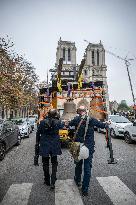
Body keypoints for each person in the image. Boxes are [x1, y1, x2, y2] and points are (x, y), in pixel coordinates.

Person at [68, 105, 110, 196]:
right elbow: (103, 126)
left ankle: (77, 180)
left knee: (78, 165)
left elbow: (69, 124)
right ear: (85, 111)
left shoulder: (76, 119)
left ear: (78, 111)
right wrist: (108, 123)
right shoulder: (91, 119)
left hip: (78, 146)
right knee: (87, 168)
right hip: (88, 147)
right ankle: (85, 189)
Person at [35, 109, 64, 189]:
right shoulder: (58, 122)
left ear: (48, 114)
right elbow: (63, 127)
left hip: (44, 145)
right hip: (54, 145)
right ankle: (53, 181)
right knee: (54, 163)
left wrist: (37, 143)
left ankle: (47, 180)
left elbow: (38, 133)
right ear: (55, 115)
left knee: (45, 163)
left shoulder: (43, 122)